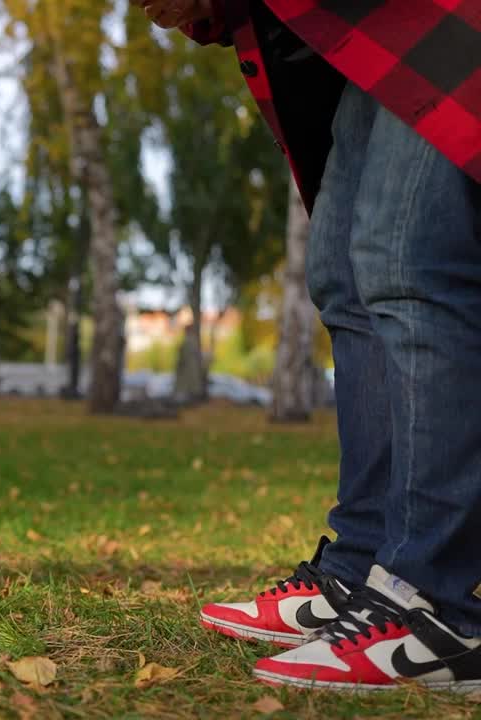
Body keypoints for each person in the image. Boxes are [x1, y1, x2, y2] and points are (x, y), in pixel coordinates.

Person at [133, 0, 481, 692]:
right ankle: (362, 571)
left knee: (408, 263)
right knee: (344, 275)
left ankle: (435, 599)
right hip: (366, 26)